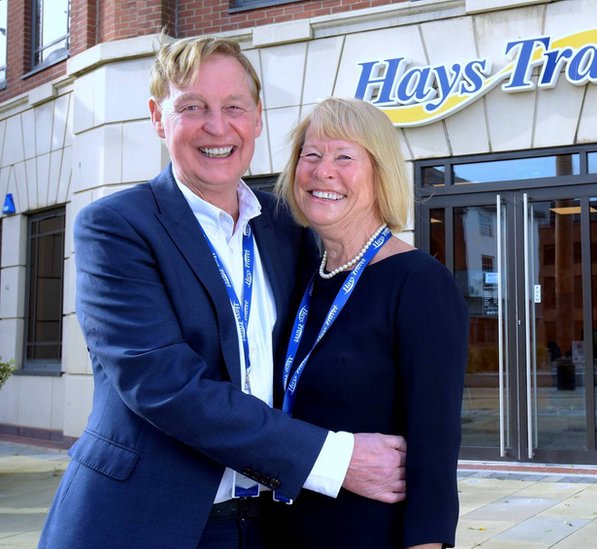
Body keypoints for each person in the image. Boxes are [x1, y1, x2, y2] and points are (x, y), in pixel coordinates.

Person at [39, 37, 407, 549]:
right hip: (142, 521)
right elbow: (163, 386)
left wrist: (412, 271)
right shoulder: (116, 227)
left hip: (268, 522)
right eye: (193, 107)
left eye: (233, 106)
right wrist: (334, 459)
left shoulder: (285, 225)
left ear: (257, 117)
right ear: (158, 118)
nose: (217, 126)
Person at [269, 97, 467, 548]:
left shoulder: (419, 283)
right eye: (311, 154)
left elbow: (434, 449)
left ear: (381, 175)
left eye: (345, 157)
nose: (323, 171)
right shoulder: (302, 278)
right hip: (285, 529)